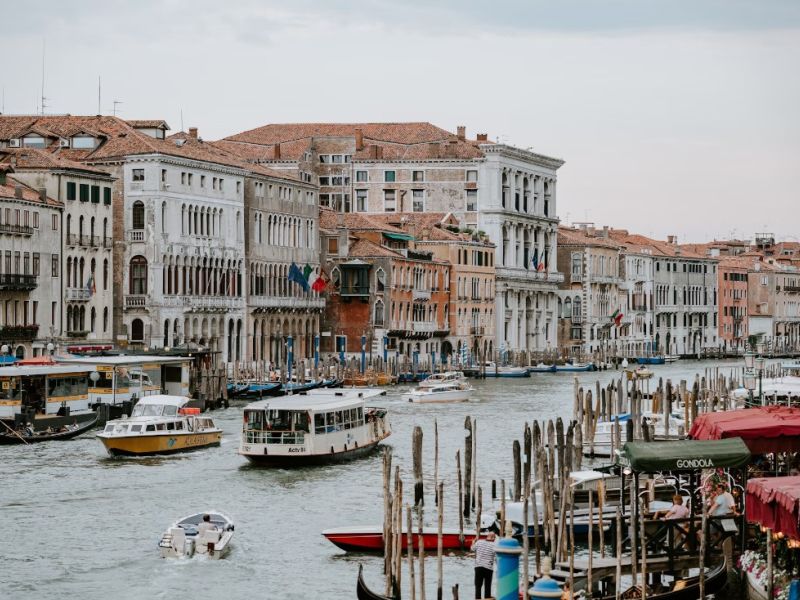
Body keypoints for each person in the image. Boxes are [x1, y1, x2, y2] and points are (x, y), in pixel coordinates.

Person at [471, 531, 496, 599]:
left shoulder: (479, 542)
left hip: (478, 566)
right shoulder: (494, 545)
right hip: (488, 568)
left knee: (478, 586)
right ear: (494, 538)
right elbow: (496, 556)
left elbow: (472, 549)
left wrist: (473, 542)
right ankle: (487, 597)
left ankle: (478, 598)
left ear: (487, 536)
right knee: (487, 586)